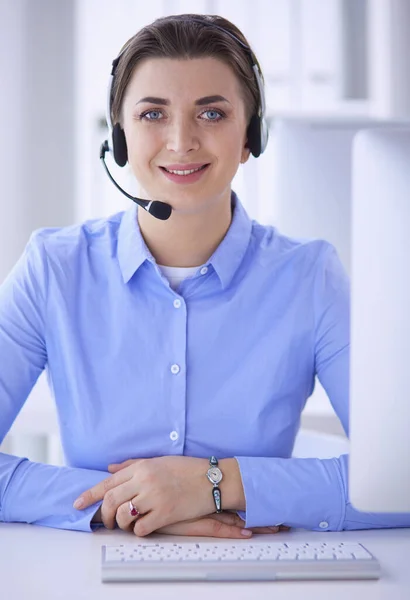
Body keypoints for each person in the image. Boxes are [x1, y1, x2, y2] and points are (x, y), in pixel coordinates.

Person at [0, 13, 409, 539]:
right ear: (120, 138)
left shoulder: (310, 277)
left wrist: (218, 484)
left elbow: (400, 478)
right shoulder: (54, 270)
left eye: (212, 113)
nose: (181, 141)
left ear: (251, 136)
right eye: (152, 114)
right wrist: (121, 505)